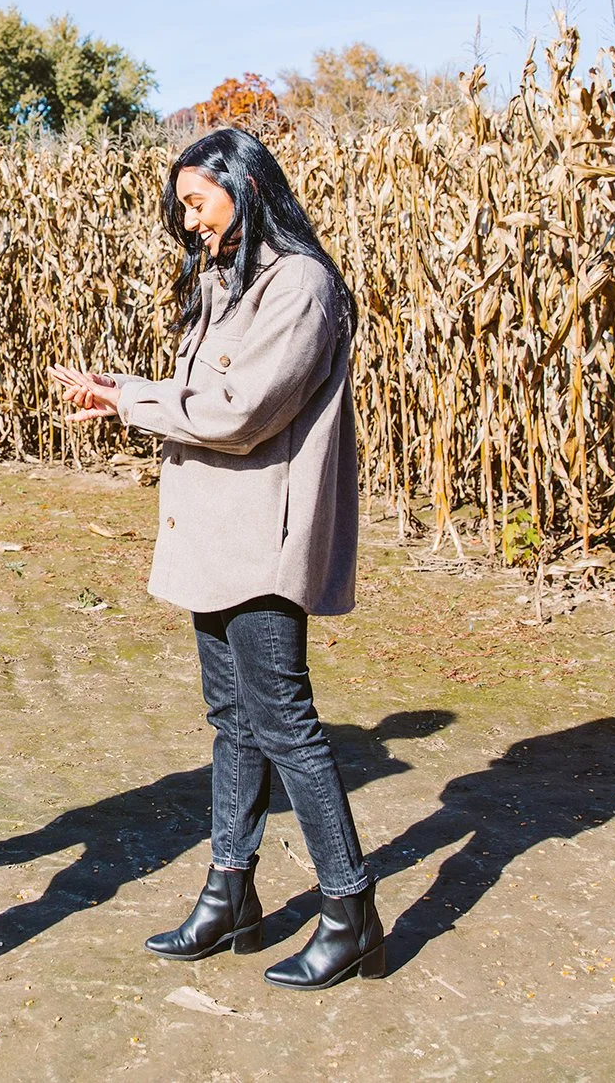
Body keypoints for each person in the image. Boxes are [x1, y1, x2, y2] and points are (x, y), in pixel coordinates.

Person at [49, 126, 383, 990]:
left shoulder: (299, 285)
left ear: (247, 185)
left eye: (198, 203)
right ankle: (230, 893)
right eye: (184, 208)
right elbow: (202, 395)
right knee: (232, 719)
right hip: (214, 535)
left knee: (285, 724)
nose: (190, 221)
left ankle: (351, 910)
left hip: (262, 539)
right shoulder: (224, 280)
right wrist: (125, 393)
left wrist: (133, 402)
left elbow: (238, 411)